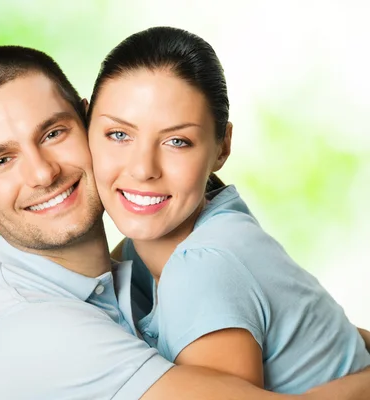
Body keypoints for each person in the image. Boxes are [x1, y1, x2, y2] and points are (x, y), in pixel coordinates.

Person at [0, 43, 370, 399]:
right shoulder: (37, 330)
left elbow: (293, 321)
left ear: (88, 123)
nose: (43, 173)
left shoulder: (144, 263)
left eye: (53, 133)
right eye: (1, 160)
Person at [85, 26, 370, 393]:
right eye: (119, 135)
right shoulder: (149, 249)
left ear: (222, 147)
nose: (143, 168)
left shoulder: (201, 266)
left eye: (177, 141)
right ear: (85, 128)